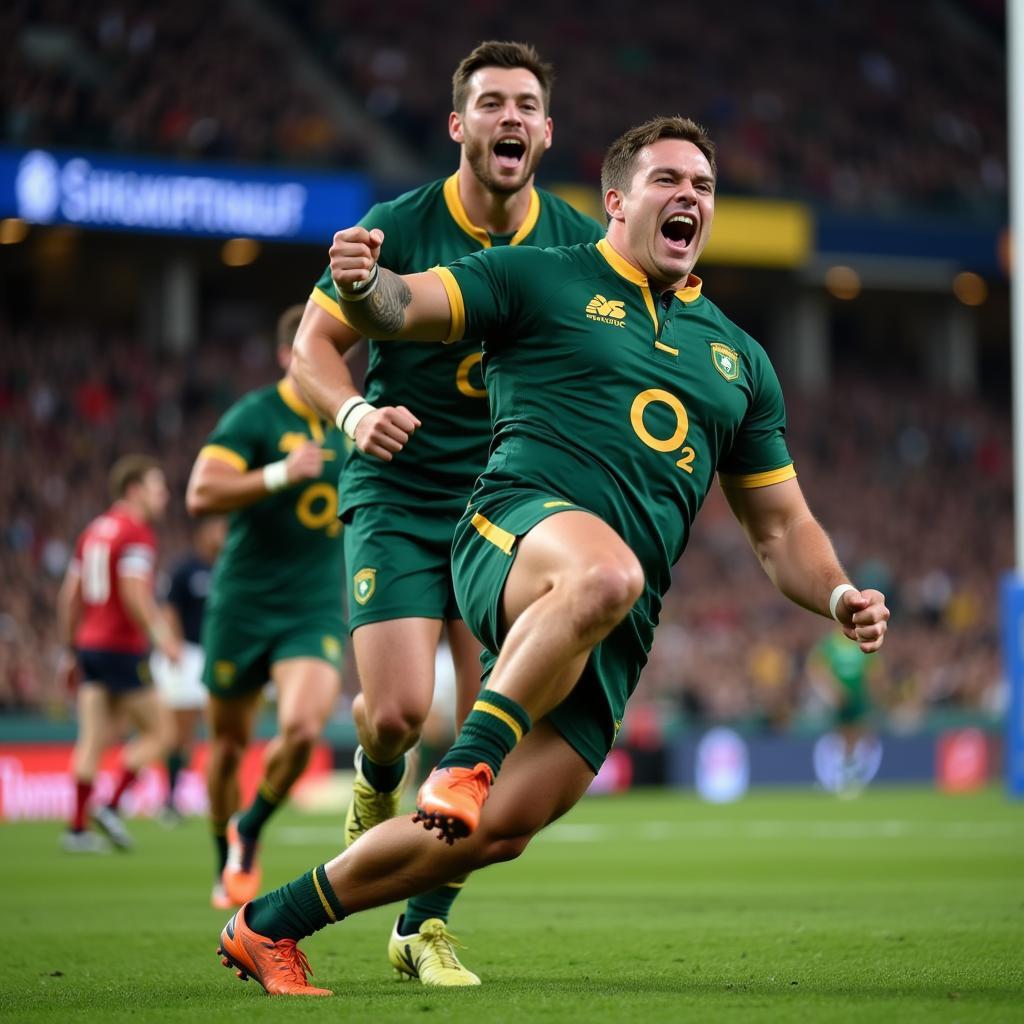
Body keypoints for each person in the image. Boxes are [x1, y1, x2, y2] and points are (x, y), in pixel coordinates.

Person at [214, 115, 890, 996]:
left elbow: (780, 529)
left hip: (617, 622)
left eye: (706, 187)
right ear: (615, 200)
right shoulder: (538, 274)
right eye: (668, 181)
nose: (691, 197)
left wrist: (837, 592)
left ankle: (269, 926)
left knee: (498, 829)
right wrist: (365, 284)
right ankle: (463, 759)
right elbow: (406, 307)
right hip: (513, 533)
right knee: (601, 576)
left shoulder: (740, 360)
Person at [292, 40, 603, 984]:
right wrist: (353, 412)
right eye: (491, 103)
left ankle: (418, 928)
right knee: (395, 712)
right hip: (399, 489)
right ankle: (373, 775)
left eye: (525, 105)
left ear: (546, 132)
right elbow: (312, 345)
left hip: (505, 505)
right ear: (458, 124)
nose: (509, 117)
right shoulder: (399, 225)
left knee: (482, 742)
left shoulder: (576, 241)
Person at [186, 305, 347, 910]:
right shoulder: (257, 416)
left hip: (312, 607)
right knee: (227, 745)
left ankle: (248, 829)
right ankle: (222, 858)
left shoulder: (346, 420)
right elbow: (201, 492)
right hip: (244, 604)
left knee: (303, 730)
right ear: (290, 354)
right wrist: (278, 474)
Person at [57, 454, 178, 853]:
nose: (164, 496)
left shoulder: (95, 530)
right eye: (157, 486)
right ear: (134, 489)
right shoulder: (135, 533)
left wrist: (70, 650)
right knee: (163, 732)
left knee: (91, 739)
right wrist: (162, 636)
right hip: (122, 650)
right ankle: (109, 806)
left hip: (90, 646)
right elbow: (132, 592)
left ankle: (76, 829)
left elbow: (69, 596)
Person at [150, 515, 227, 824]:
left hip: (216, 655)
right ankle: (170, 799)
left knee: (219, 730)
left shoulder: (227, 568)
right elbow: (169, 609)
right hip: (188, 655)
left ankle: (217, 798)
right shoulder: (185, 568)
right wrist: (173, 645)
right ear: (203, 531)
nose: (222, 533)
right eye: (218, 527)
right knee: (180, 734)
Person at [807, 628, 884, 797]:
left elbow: (874, 671)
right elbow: (816, 668)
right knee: (842, 736)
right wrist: (831, 691)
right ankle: (843, 775)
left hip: (859, 698)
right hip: (840, 701)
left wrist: (872, 692)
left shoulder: (863, 643)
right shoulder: (830, 644)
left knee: (859, 735)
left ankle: (852, 773)